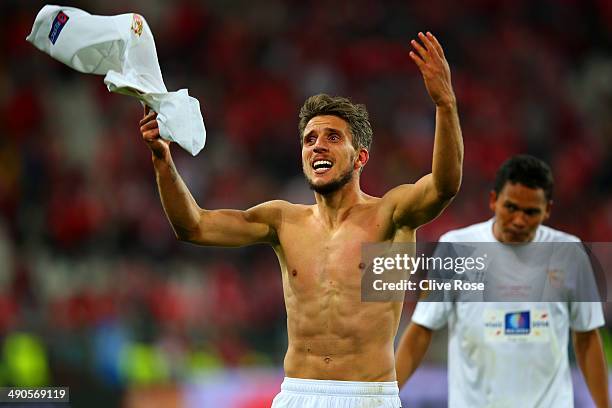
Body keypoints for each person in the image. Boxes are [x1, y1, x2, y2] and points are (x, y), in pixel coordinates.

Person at [139, 31, 462, 407]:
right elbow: (193, 226)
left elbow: (444, 186)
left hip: (367, 395)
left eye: (332, 137)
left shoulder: (390, 215)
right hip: (298, 394)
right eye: (309, 139)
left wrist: (445, 104)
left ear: (360, 157)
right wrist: (162, 161)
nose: (318, 145)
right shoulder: (283, 221)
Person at [395, 155, 609, 408]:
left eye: (531, 212)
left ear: (547, 210)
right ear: (494, 200)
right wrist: (387, 395)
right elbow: (422, 329)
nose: (519, 220)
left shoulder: (570, 252)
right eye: (511, 207)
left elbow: (587, 337)